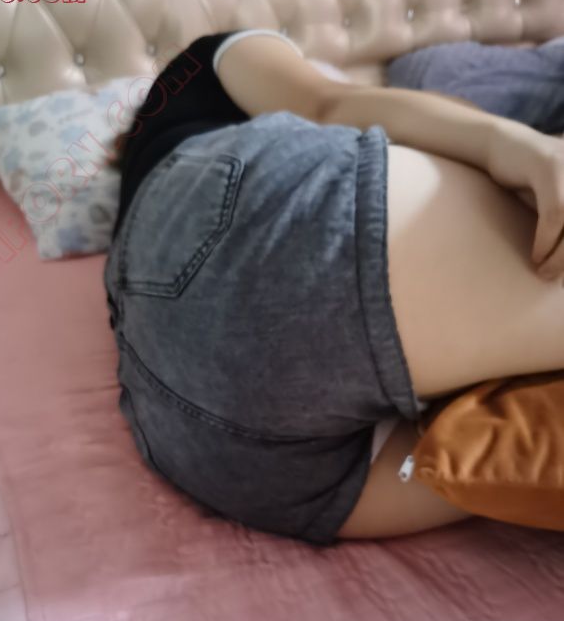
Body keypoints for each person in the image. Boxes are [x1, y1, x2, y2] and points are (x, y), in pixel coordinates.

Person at [104, 29, 564, 544]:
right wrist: (506, 139)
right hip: (267, 237)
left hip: (222, 461)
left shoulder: (131, 215)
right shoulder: (200, 61)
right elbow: (328, 104)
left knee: (487, 449)